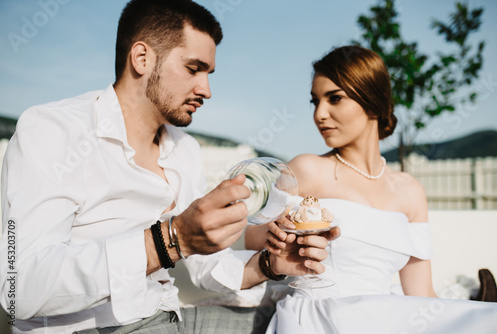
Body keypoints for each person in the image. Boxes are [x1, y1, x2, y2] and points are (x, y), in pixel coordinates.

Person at [0, 1, 336, 333]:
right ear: (142, 58)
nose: (206, 90)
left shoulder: (184, 148)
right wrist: (170, 240)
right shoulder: (53, 130)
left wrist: (270, 264)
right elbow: (20, 290)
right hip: (96, 327)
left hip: (169, 316)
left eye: (208, 74)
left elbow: (205, 265)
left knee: (300, 312)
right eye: (194, 69)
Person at [245, 45, 497, 334]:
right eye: (315, 101)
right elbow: (252, 238)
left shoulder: (410, 191)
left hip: (384, 317)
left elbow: (421, 295)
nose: (320, 114)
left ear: (372, 99)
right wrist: (281, 231)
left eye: (335, 99)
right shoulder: (307, 169)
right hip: (320, 318)